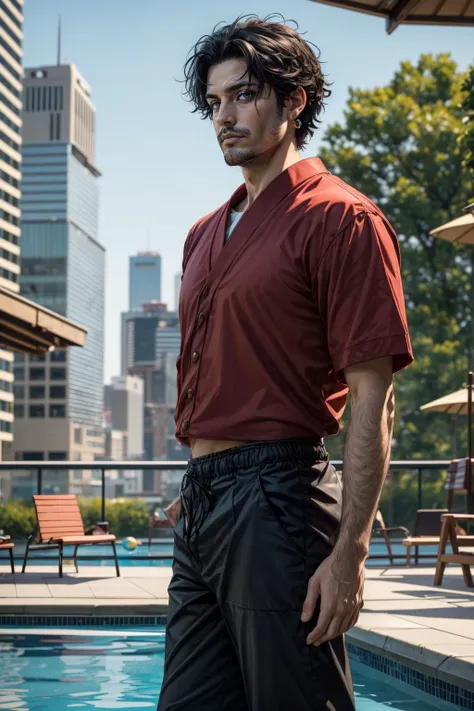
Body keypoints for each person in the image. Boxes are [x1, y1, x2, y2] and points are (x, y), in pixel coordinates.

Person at [158, 15, 413, 711]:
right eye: (215, 103)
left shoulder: (342, 219)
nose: (225, 117)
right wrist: (204, 477)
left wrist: (351, 552)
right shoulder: (203, 233)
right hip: (204, 497)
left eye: (243, 95)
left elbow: (372, 399)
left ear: (294, 99)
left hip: (279, 498)